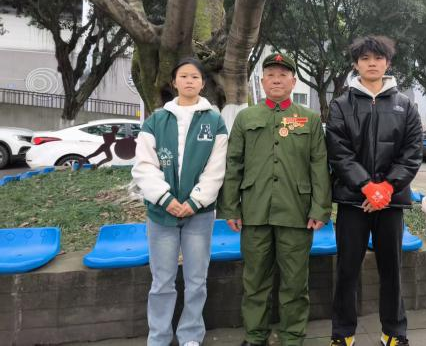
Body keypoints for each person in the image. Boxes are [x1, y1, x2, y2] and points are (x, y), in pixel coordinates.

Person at [218, 53, 332, 346]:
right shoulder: (246, 118)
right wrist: (230, 208)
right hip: (254, 210)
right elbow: (234, 164)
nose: (277, 80)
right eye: (270, 75)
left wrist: (320, 208)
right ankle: (255, 335)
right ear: (262, 81)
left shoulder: (309, 118)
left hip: (296, 211)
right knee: (255, 279)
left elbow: (319, 165)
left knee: (295, 281)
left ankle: (292, 336)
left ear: (293, 82)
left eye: (283, 75)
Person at [325, 36, 423, 346]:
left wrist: (386, 189)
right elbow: (338, 152)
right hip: (353, 202)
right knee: (347, 270)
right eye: (365, 58)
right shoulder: (341, 105)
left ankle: (394, 332)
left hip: (390, 204)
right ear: (356, 64)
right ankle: (343, 334)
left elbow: (412, 152)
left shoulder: (405, 105)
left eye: (378, 58)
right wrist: (367, 187)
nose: (372, 63)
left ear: (387, 63)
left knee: (391, 270)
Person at [132, 58, 228, 346]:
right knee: (162, 281)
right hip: (161, 214)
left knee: (197, 280)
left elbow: (216, 168)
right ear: (174, 82)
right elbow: (143, 166)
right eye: (183, 76)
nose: (189, 81)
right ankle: (159, 337)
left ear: (202, 83)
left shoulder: (214, 121)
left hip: (199, 214)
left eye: (195, 77)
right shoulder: (156, 120)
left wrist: (195, 201)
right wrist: (165, 198)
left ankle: (191, 335)